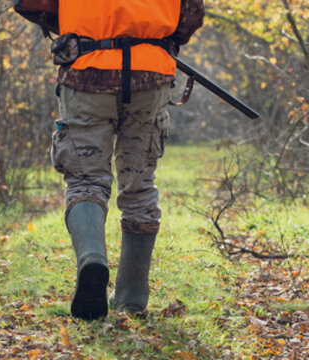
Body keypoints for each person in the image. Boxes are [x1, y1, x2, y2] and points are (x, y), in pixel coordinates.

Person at [16, 0, 205, 320]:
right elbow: (191, 15)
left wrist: (71, 26)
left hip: (87, 71)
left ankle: (92, 259)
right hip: (151, 72)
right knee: (140, 183)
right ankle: (132, 296)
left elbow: (28, 3)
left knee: (85, 179)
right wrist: (158, 35)